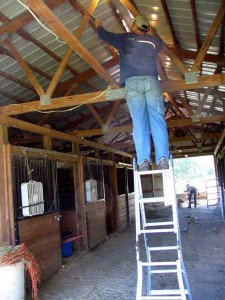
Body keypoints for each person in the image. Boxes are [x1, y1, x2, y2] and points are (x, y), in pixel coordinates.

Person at [95, 15, 169, 171]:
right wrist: (150, 32)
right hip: (152, 82)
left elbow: (104, 35)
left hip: (133, 84)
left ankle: (143, 162)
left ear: (135, 25)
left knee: (139, 122)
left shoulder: (125, 39)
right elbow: (160, 42)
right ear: (147, 28)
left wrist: (98, 25)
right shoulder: (154, 42)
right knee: (157, 120)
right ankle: (162, 158)